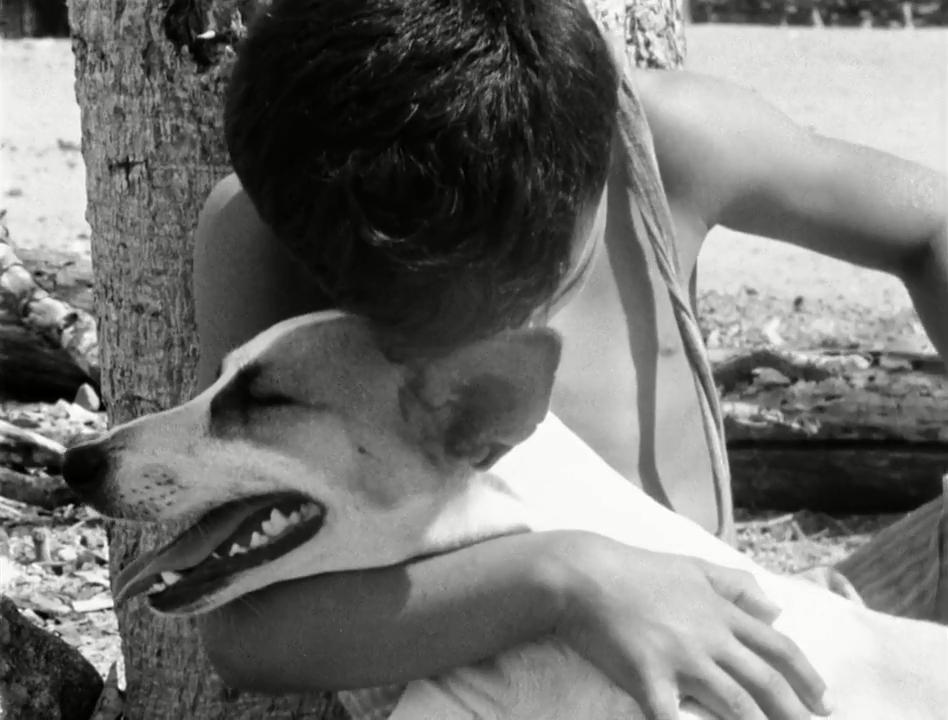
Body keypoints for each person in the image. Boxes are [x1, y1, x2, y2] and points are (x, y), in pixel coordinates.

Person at [190, 0, 948, 717]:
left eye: (533, 283)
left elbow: (932, 228)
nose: (498, 332)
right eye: (400, 316)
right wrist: (564, 581)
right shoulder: (271, 234)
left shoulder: (664, 146)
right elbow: (244, 632)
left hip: (743, 643)